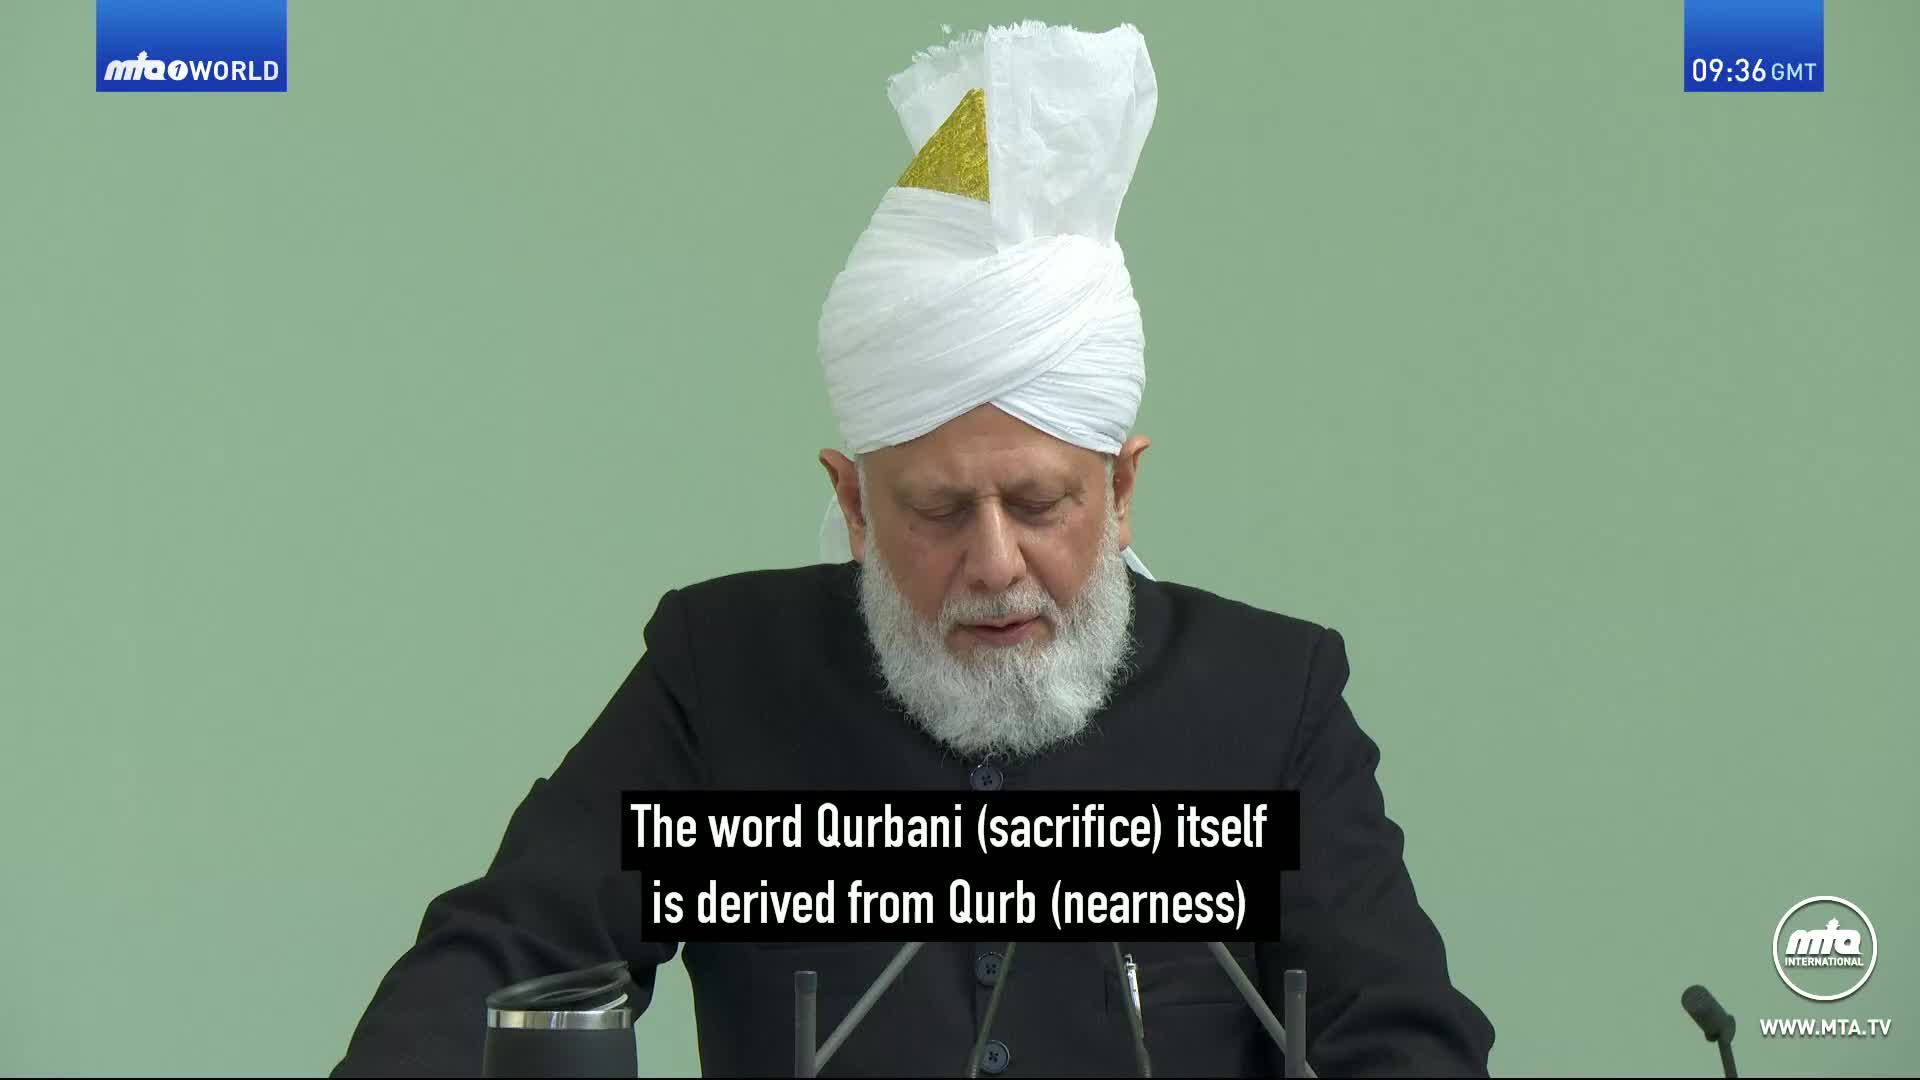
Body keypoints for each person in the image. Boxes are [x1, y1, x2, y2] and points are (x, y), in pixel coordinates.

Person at [334, 21, 1494, 1078]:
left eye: (1040, 505)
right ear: (851, 504)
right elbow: (502, 957)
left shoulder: (1269, 705)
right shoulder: (724, 678)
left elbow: (1402, 1037)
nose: (994, 564)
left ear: (1123, 487)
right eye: (939, 513)